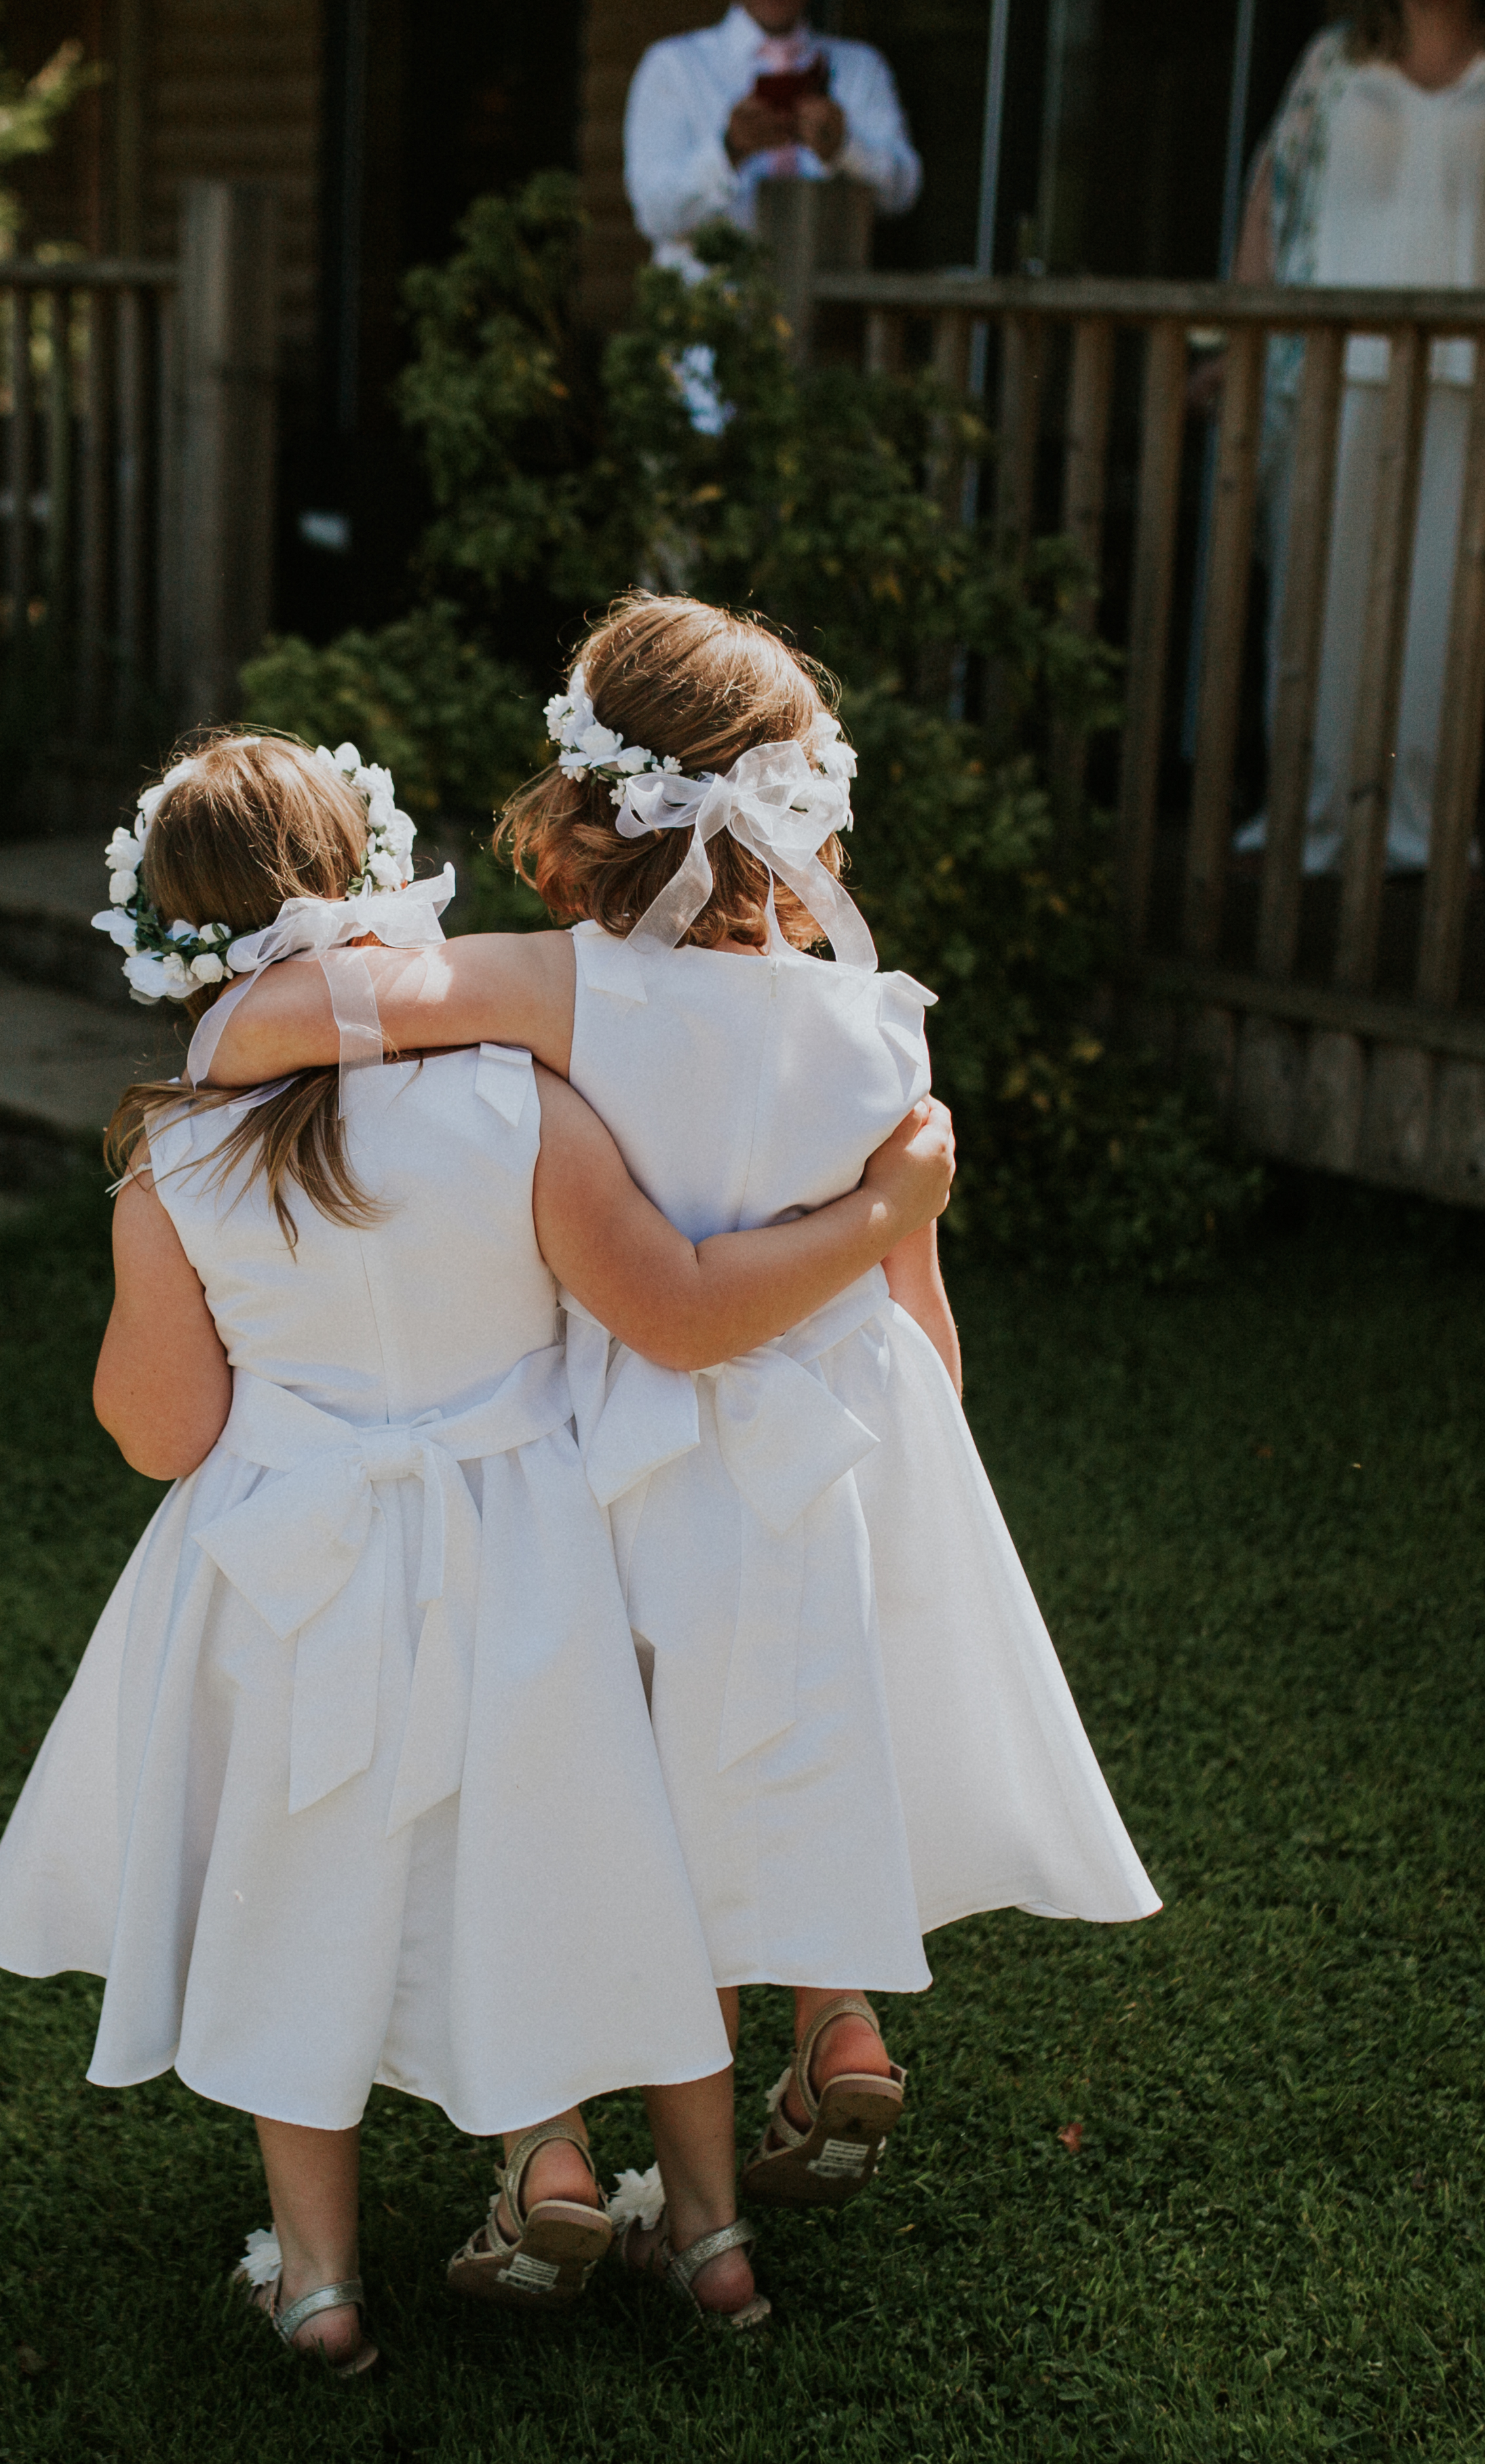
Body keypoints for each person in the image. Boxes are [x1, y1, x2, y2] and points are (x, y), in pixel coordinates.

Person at [189, 596, 1164, 2330]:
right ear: (805, 805)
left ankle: (623, 2171)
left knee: (641, 1816)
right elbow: (922, 1316)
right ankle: (836, 2021)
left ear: (588, 801)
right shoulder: (879, 1024)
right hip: (848, 1447)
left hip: (630, 1455)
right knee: (793, 1750)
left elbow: (263, 1028)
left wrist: (270, 1028)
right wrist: (907, 1381)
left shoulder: (568, 987)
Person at [0, 731, 959, 2370]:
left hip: (291, 1570)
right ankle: (688, 2223)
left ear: (168, 931)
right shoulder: (518, 1101)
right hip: (529, 1544)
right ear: (373, 872)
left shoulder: (177, 1153)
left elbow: (158, 1430)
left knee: (305, 1888)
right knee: (605, 1876)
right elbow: (647, 1300)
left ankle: (316, 2276)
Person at [1230, 0, 1485, 877]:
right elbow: (1273, 197)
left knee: (1443, 611)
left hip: (1478, 377)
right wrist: (1244, 341)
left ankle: (1421, 832)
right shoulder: (1334, 60)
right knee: (1320, 604)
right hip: (1332, 366)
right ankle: (1309, 823)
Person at [623, 0, 921, 282]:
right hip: (710, 317)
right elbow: (654, 214)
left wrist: (846, 149)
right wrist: (729, 151)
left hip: (825, 313)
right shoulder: (674, 66)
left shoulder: (861, 68)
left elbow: (902, 195)